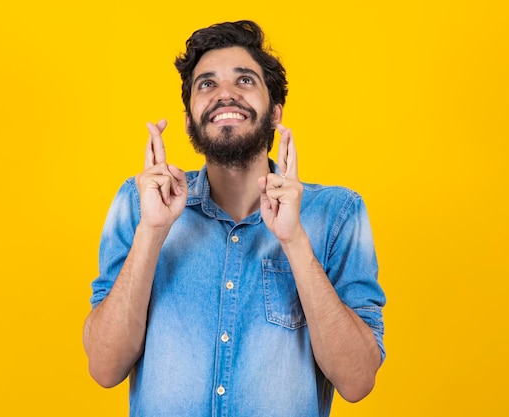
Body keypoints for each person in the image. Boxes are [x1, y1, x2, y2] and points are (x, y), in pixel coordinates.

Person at [83, 20, 386, 417]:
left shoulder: (338, 214)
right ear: (190, 119)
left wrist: (295, 241)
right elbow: (105, 368)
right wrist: (151, 233)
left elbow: (358, 380)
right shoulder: (140, 203)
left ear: (275, 111)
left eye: (244, 81)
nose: (225, 94)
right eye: (206, 84)